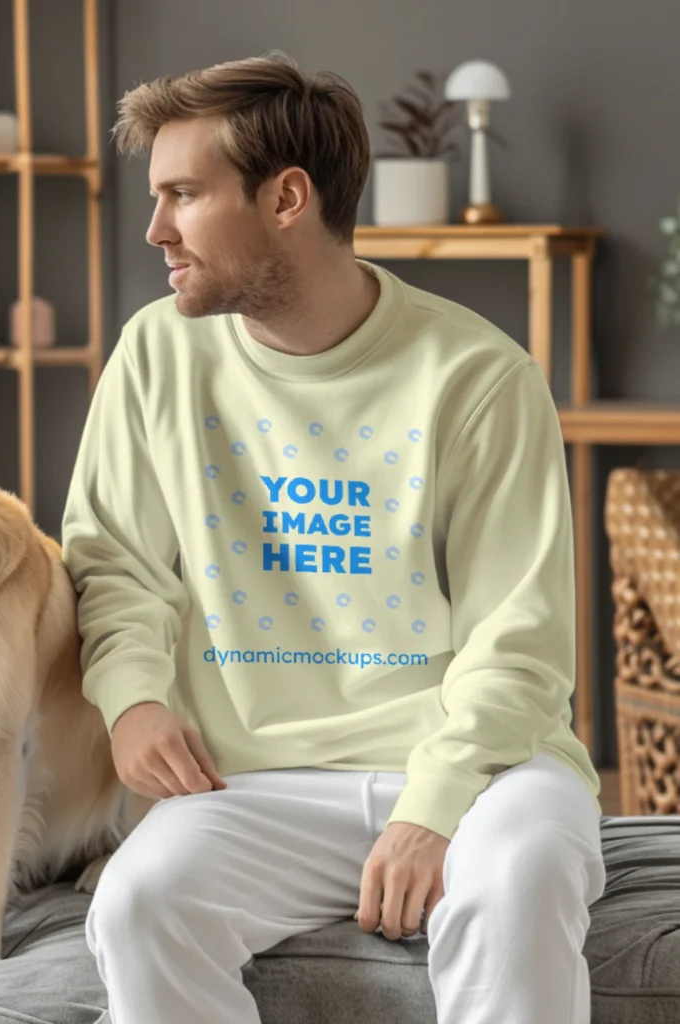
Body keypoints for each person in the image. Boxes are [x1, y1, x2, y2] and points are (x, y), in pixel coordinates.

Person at [60, 52, 605, 1024]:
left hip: (483, 768)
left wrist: (427, 810)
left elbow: (516, 639)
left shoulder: (476, 376)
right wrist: (131, 698)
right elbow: (115, 561)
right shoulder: (154, 352)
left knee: (516, 881)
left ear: (286, 198)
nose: (155, 229)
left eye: (183, 194)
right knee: (138, 903)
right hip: (255, 777)